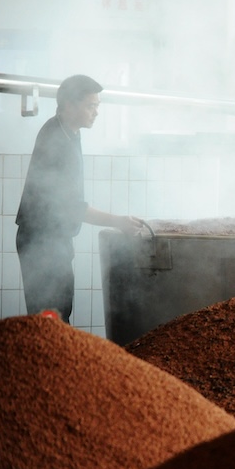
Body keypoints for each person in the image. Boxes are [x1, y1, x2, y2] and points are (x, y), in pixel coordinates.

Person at [15, 74, 144, 323]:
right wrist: (118, 221)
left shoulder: (68, 130)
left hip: (52, 238)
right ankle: (49, 362)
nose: (95, 113)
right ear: (69, 105)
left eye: (97, 106)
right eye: (90, 106)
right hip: (41, 240)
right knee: (51, 318)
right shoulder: (56, 141)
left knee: (57, 314)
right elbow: (73, 208)